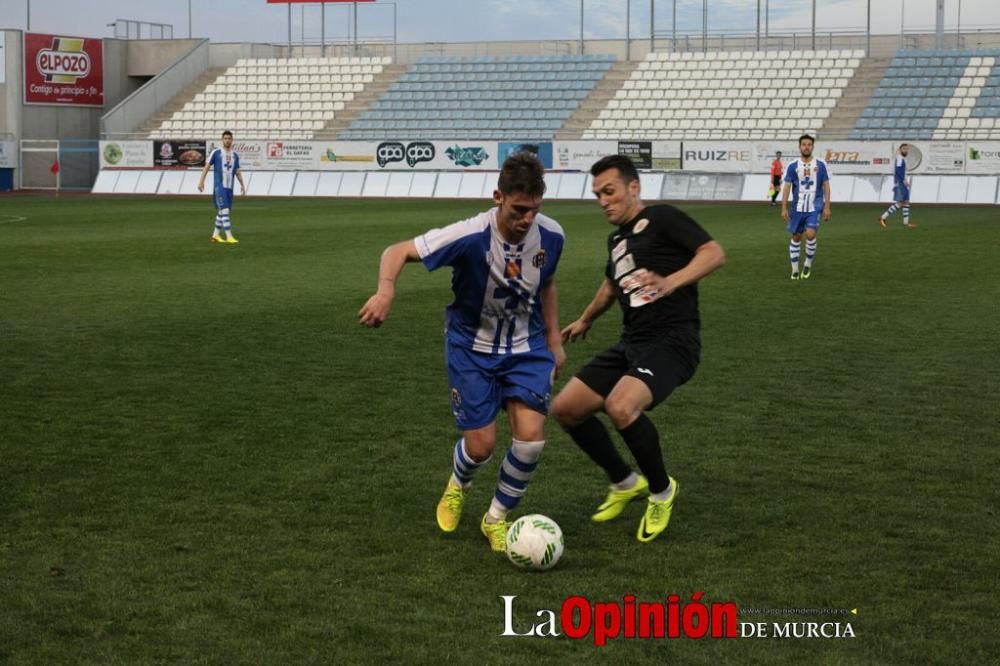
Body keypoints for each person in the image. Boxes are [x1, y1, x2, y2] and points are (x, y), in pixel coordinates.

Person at [357, 152, 565, 554]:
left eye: (534, 211)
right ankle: (458, 485)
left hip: (527, 347)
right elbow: (397, 251)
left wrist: (554, 340)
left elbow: (549, 282)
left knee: (531, 440)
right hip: (472, 348)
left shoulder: (552, 235)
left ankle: (496, 520)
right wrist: (386, 290)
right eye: (519, 210)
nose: (526, 220)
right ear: (497, 197)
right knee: (481, 446)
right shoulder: (469, 235)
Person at [551, 155, 725, 544]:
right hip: (633, 343)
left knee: (620, 405)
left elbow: (714, 253)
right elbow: (612, 286)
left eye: (609, 191)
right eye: (597, 194)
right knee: (566, 409)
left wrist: (672, 281)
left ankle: (662, 491)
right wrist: (585, 319)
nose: (603, 201)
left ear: (633, 188)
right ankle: (625, 481)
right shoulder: (617, 240)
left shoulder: (663, 218)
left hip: (673, 341)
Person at [781, 134, 831, 280]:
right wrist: (783, 207)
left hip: (815, 205)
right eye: (804, 144)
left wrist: (827, 206)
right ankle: (795, 270)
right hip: (797, 207)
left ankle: (808, 264)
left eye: (809, 144)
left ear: (813, 147)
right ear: (800, 147)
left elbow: (826, 185)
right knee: (796, 237)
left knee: (810, 234)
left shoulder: (821, 164)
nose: (806, 147)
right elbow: (787, 187)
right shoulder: (793, 166)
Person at [197, 130, 246, 244]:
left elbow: (237, 171)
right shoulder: (216, 152)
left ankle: (215, 236)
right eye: (225, 138)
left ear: (232, 140)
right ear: (222, 140)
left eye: (229, 138)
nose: (227, 140)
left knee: (222, 211)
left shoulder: (235, 155)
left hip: (229, 187)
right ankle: (229, 236)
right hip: (220, 187)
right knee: (225, 210)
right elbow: (207, 166)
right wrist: (201, 181)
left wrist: (242, 185)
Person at [879, 143, 915, 229]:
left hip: (901, 182)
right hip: (901, 182)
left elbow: (899, 171)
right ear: (900, 150)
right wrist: (903, 181)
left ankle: (905, 223)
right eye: (904, 149)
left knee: (904, 202)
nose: (905, 150)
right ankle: (883, 218)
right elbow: (898, 171)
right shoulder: (899, 158)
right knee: (902, 202)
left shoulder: (902, 158)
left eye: (906, 149)